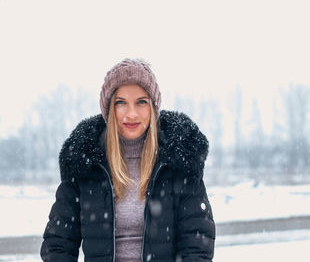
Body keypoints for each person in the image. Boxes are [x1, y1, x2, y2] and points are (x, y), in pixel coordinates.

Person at [40, 58, 215, 262]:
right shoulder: (85, 164)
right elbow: (58, 245)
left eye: (141, 102)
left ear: (153, 107)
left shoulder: (178, 163)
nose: (131, 114)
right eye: (121, 103)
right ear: (109, 109)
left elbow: (197, 246)